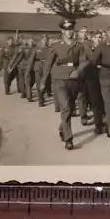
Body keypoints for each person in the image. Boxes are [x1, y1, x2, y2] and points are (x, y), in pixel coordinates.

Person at [39, 20, 88, 150]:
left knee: (70, 108)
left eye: (71, 29)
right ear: (62, 31)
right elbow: (48, 65)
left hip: (74, 80)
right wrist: (43, 81)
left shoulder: (79, 46)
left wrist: (78, 71)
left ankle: (62, 127)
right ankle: (69, 139)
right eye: (66, 30)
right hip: (59, 79)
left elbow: (84, 62)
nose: (69, 32)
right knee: (65, 107)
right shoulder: (55, 46)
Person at [82, 30, 106, 134]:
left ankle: (104, 121)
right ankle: (98, 125)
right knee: (95, 101)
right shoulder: (88, 49)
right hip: (92, 77)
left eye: (100, 37)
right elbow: (85, 62)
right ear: (92, 38)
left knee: (104, 100)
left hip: (104, 76)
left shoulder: (106, 48)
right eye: (96, 37)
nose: (99, 39)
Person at [26, 35, 50, 107]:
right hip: (38, 67)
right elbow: (31, 60)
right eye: (43, 40)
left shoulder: (50, 49)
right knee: (39, 84)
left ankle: (42, 96)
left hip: (46, 67)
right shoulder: (36, 49)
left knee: (45, 83)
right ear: (41, 41)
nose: (45, 41)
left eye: (46, 40)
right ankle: (40, 100)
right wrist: (28, 70)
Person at [76, 26, 90, 125]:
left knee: (92, 94)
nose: (84, 33)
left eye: (86, 32)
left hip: (91, 72)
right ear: (78, 33)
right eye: (82, 32)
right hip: (80, 72)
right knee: (81, 95)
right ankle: (83, 116)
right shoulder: (75, 44)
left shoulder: (90, 43)